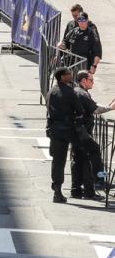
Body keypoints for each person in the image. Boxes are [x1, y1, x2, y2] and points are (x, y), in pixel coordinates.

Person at [71, 71, 112, 200]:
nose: (93, 82)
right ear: (83, 80)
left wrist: (108, 106)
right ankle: (97, 181)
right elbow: (95, 109)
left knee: (78, 160)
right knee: (92, 153)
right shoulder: (82, 94)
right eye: (91, 80)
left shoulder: (79, 92)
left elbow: (94, 104)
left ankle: (76, 190)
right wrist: (111, 108)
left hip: (76, 131)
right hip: (81, 131)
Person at [46, 67, 83, 203]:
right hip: (67, 129)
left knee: (57, 160)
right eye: (68, 74)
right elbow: (80, 111)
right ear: (62, 77)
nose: (71, 75)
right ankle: (82, 186)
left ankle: (57, 188)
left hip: (54, 129)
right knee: (83, 153)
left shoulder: (51, 91)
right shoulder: (69, 92)